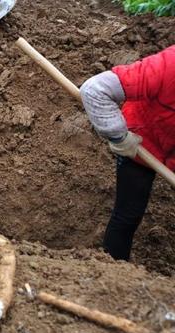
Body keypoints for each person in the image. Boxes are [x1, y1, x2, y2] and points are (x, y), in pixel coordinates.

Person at [80, 45, 175, 261]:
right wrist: (120, 138)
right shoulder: (168, 66)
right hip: (141, 145)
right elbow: (94, 90)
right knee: (128, 216)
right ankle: (113, 269)